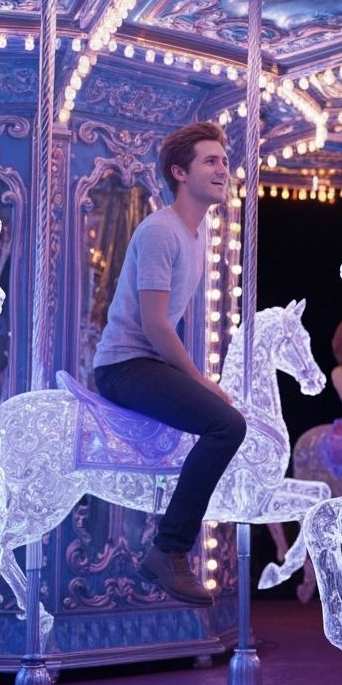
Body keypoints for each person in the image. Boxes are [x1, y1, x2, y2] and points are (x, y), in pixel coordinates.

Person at [92, 121, 245, 606]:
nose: (223, 169)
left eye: (223, 160)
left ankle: (172, 548)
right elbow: (157, 326)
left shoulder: (198, 235)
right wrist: (201, 381)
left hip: (146, 361)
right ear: (180, 172)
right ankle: (169, 550)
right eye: (211, 161)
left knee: (224, 420)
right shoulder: (161, 231)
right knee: (225, 425)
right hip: (125, 366)